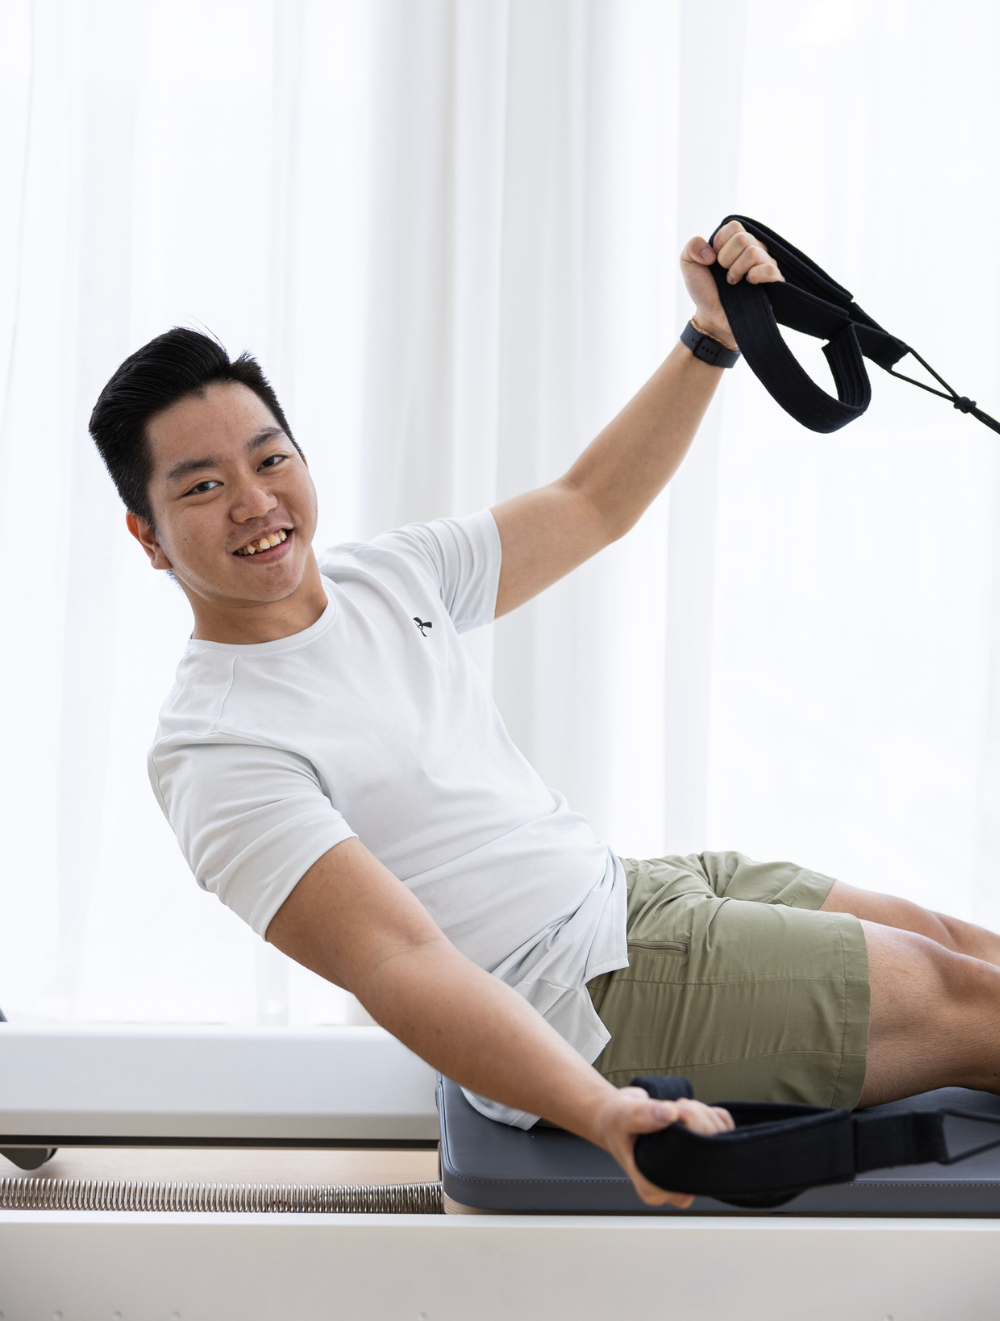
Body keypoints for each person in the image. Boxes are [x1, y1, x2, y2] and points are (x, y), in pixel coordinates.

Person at [89, 222, 1000, 1209]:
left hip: (630, 892)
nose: (254, 502)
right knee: (968, 1003)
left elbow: (590, 501)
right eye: (203, 485)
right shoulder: (214, 746)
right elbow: (397, 960)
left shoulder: (383, 575)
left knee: (961, 944)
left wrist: (710, 336)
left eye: (270, 459)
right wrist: (604, 1112)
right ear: (148, 536)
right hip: (583, 998)